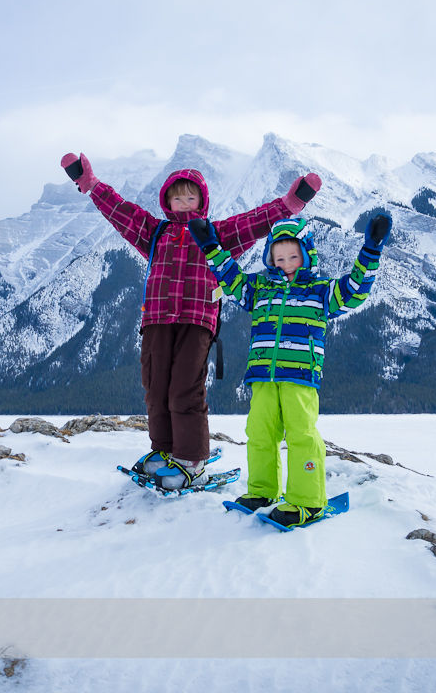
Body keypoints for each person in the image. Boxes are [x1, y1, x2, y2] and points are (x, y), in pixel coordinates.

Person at [60, 151, 321, 489]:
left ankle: (192, 458)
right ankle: (164, 450)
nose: (183, 202)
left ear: (202, 200)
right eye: (177, 196)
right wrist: (91, 184)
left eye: (190, 196)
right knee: (155, 388)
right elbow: (121, 213)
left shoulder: (216, 233)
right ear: (167, 201)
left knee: (185, 387)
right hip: (156, 319)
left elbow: (254, 222)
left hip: (198, 320)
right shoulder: (155, 232)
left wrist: (288, 204)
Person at [187, 212, 391, 526]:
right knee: (259, 434)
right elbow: (232, 279)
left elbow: (355, 290)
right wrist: (211, 246)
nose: (285, 262)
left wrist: (371, 250)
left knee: (301, 435)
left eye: (293, 255)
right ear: (270, 257)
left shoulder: (321, 292)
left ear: (307, 254)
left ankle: (307, 501)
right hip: (262, 375)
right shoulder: (259, 288)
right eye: (278, 257)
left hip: (300, 376)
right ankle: (262, 491)